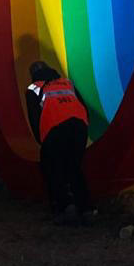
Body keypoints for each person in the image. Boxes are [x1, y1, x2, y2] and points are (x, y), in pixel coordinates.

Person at [25, 61, 93, 224]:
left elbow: (34, 118)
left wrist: (42, 141)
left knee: (51, 167)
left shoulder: (34, 88)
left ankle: (63, 207)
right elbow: (82, 105)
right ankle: (86, 208)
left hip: (55, 129)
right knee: (74, 167)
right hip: (79, 127)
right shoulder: (67, 83)